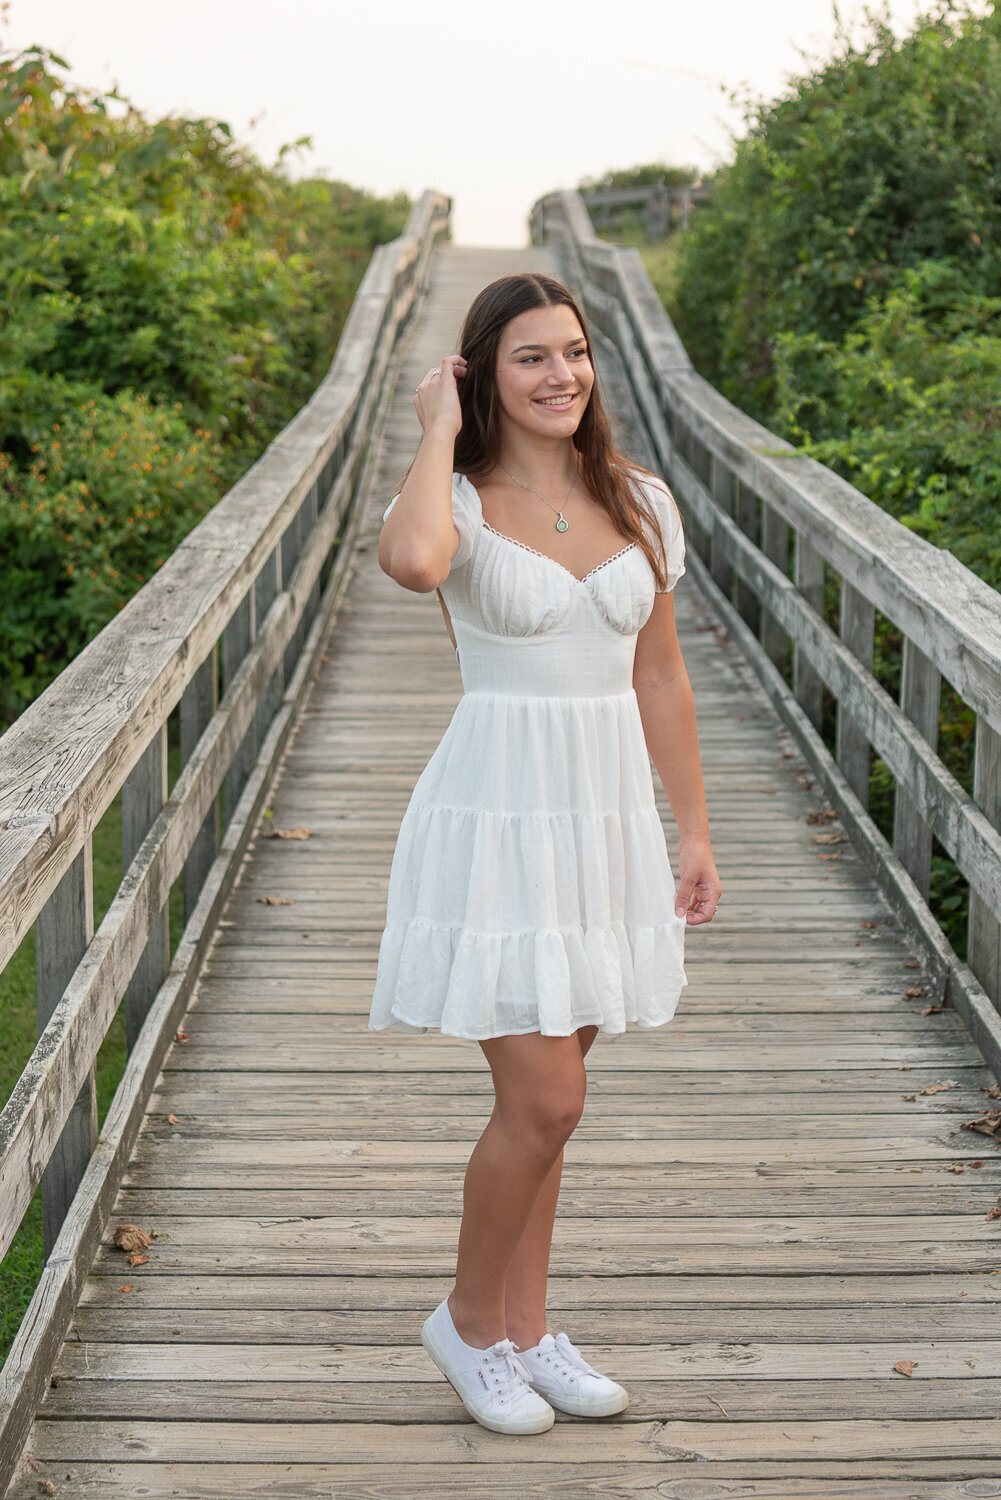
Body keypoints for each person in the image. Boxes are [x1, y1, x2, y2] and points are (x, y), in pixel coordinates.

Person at [369, 271, 720, 1435]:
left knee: (556, 1110)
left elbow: (658, 673)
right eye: (528, 356)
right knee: (545, 1097)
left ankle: (527, 1330)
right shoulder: (457, 502)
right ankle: (468, 1326)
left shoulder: (640, 502)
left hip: (602, 820)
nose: (560, 373)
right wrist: (432, 430)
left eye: (572, 351)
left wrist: (694, 828)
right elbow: (412, 565)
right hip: (496, 822)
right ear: (482, 373)